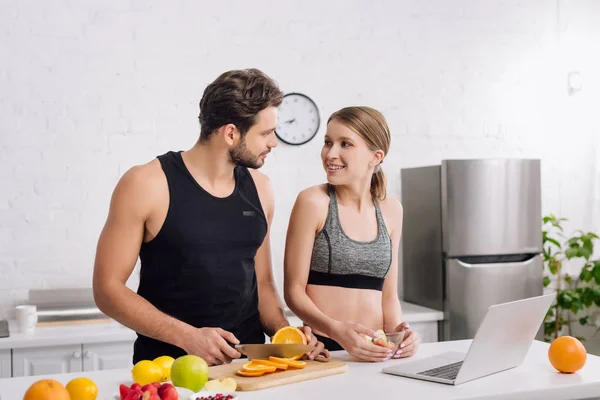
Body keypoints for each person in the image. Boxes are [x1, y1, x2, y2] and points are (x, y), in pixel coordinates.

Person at [93, 68, 325, 366]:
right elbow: (107, 288)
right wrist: (187, 336)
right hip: (169, 371)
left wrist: (286, 335)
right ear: (231, 133)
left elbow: (263, 284)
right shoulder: (146, 184)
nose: (274, 143)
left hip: (250, 367)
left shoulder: (261, 189)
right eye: (266, 133)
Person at [283, 106, 420, 362]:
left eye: (345, 144)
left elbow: (389, 295)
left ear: (375, 156)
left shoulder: (392, 210)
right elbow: (293, 291)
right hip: (324, 351)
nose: (330, 153)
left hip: (376, 351)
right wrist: (336, 330)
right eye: (327, 142)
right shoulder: (313, 202)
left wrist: (402, 333)